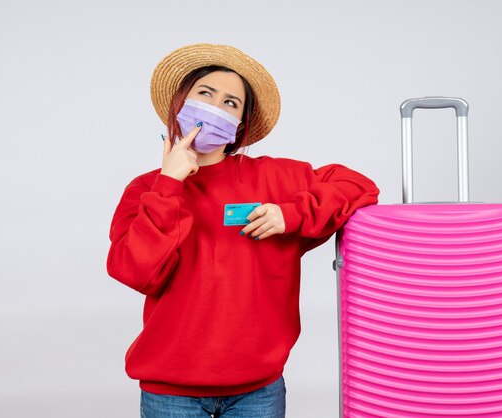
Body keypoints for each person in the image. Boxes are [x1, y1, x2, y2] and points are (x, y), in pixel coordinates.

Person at [106, 43, 379, 418]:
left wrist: (293, 214)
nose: (216, 108)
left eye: (231, 103)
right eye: (206, 94)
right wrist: (170, 182)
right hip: (170, 393)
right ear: (181, 103)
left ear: (239, 126)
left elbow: (359, 186)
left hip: (258, 390)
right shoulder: (145, 189)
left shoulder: (275, 178)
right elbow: (136, 271)